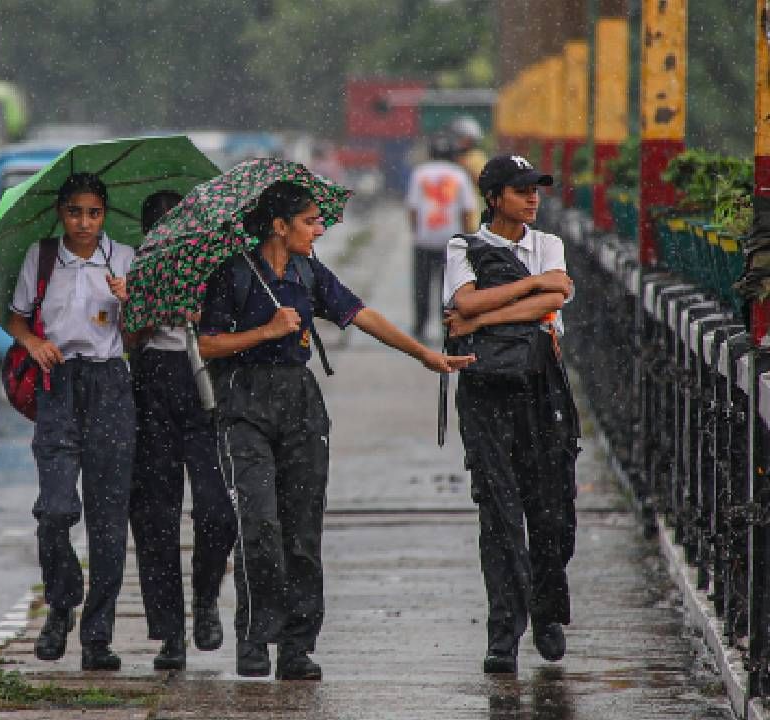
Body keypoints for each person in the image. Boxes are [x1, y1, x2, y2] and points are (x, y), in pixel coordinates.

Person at [198, 181, 473, 680]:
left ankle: (297, 647)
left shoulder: (308, 272)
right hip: (245, 407)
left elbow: (361, 313)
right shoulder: (232, 275)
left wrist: (422, 354)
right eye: (309, 221)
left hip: (301, 406)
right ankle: (256, 636)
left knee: (302, 532)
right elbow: (208, 346)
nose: (319, 228)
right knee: (259, 526)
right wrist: (265, 332)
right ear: (279, 226)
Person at [443, 154, 580, 675]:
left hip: (543, 390)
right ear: (494, 196)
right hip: (486, 393)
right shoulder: (464, 248)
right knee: (500, 516)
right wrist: (531, 290)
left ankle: (547, 611)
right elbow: (463, 301)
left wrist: (491, 306)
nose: (532, 198)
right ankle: (504, 631)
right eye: (521, 190)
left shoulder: (547, 245)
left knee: (553, 513)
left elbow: (557, 293)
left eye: (536, 189)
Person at [6, 172, 136, 671]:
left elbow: (141, 334)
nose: (84, 222)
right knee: (55, 509)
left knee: (108, 520)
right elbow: (17, 317)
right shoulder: (40, 259)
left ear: (105, 214)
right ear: (61, 213)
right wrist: (32, 343)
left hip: (111, 387)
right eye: (75, 211)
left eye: (94, 212)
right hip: (57, 385)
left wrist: (132, 301)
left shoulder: (124, 259)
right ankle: (61, 603)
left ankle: (98, 635)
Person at [128, 190, 237, 672]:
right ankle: (169, 631)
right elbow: (125, 340)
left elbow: (230, 330)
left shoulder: (215, 267)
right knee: (156, 516)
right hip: (153, 385)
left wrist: (201, 316)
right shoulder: (137, 271)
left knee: (216, 510)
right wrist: (141, 313)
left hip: (205, 389)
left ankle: (206, 597)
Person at [405, 134, 477, 342]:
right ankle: (447, 327)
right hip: (451, 239)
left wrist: (416, 231)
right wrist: (466, 237)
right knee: (449, 287)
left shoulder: (419, 173)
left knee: (422, 285)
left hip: (425, 239)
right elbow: (467, 209)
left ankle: (420, 326)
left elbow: (413, 208)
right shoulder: (459, 175)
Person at [450, 115, 489, 185]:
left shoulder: (476, 156)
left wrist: (464, 167)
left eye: (460, 137)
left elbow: (483, 180)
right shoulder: (454, 155)